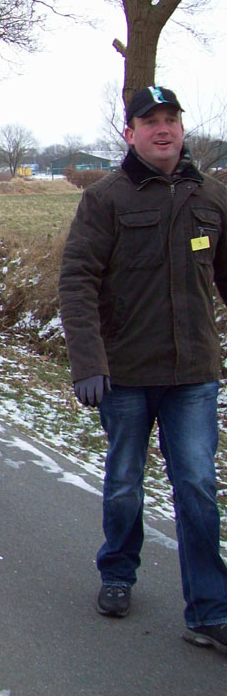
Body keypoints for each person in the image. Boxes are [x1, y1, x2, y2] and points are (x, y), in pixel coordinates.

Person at [59, 85, 227, 655]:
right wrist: (88, 361)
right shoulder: (105, 199)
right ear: (130, 133)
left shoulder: (213, 197)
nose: (163, 129)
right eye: (150, 121)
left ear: (181, 129)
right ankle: (117, 572)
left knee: (198, 486)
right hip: (125, 373)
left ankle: (209, 610)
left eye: (171, 119)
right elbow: (77, 280)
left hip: (194, 374)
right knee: (126, 481)